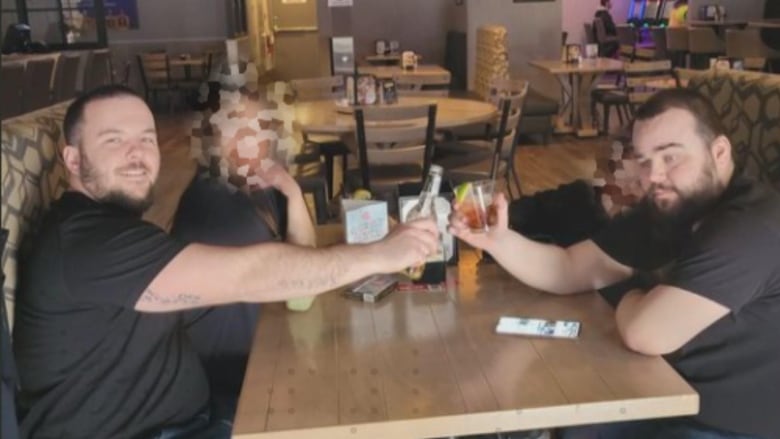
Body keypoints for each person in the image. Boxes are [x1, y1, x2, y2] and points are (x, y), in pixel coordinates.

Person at [12, 85, 440, 439]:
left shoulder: (109, 229)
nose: (137, 153)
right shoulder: (88, 243)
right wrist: (381, 253)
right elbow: (253, 274)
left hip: (197, 414)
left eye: (145, 138)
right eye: (114, 140)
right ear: (72, 159)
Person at [450, 88, 780, 439]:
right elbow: (568, 268)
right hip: (664, 394)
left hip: (726, 423)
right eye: (644, 160)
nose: (653, 175)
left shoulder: (752, 227)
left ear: (719, 152)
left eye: (670, 157)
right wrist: (499, 241)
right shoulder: (674, 208)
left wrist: (628, 294)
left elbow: (645, 332)